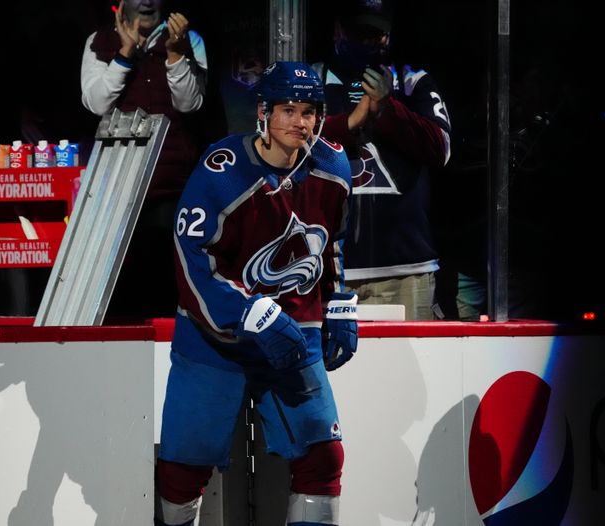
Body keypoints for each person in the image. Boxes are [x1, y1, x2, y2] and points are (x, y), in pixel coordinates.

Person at [155, 61, 358, 526]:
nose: (299, 122)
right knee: (182, 469)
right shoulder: (222, 170)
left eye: (309, 111)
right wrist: (252, 313)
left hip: (293, 337)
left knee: (323, 460)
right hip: (215, 340)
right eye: (288, 109)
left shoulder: (333, 166)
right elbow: (191, 262)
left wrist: (340, 305)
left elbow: (336, 242)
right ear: (263, 112)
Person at [315, 0, 452, 320]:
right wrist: (352, 122)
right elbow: (292, 149)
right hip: (328, 268)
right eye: (359, 33)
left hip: (404, 268)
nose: (367, 43)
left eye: (375, 35)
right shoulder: (312, 79)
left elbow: (441, 148)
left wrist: (388, 108)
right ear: (338, 31)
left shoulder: (412, 81)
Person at [80, 0, 207, 318]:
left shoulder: (190, 40)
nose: (148, 2)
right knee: (122, 286)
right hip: (117, 189)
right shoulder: (99, 42)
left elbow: (191, 103)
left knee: (165, 282)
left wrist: (176, 53)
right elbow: (95, 103)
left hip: (171, 186)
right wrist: (124, 54)